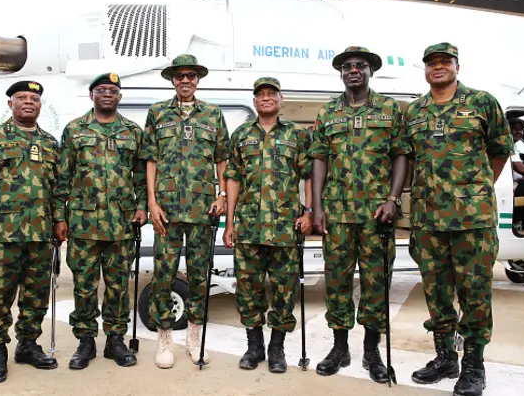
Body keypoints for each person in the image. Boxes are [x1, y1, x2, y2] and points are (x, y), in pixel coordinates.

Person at [403, 43, 513, 396]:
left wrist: (476, 190)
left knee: (475, 295)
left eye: (444, 62)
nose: (438, 67)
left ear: (456, 66)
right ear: (425, 70)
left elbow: (500, 151)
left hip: (472, 222)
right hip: (428, 221)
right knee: (436, 294)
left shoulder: (482, 102)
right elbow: (409, 158)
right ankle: (445, 357)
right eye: (432, 63)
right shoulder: (416, 112)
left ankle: (474, 365)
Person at [309, 46, 409, 383]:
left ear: (370, 72)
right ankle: (340, 347)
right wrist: (318, 206)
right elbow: (319, 159)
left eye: (361, 66)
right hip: (337, 214)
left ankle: (371, 350)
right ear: (341, 73)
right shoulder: (328, 114)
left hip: (376, 214)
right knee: (336, 282)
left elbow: (400, 155)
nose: (354, 70)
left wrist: (394, 198)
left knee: (376, 283)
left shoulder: (389, 110)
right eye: (348, 66)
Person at [0, 80, 60, 383]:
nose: (29, 102)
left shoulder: (49, 143)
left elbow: (58, 190)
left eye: (34, 98)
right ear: (10, 104)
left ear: (40, 105)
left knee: (36, 295)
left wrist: (59, 222)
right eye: (22, 97)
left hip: (41, 235)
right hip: (3, 235)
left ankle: (28, 345)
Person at [140, 54, 230, 368]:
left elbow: (222, 158)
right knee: (163, 276)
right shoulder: (157, 113)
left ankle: (194, 336)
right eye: (180, 76)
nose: (185, 81)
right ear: (173, 80)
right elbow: (150, 159)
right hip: (166, 210)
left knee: (200, 276)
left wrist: (222, 195)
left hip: (203, 210)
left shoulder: (213, 114)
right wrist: (151, 202)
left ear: (198, 79)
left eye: (191, 75)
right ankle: (164, 337)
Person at [54, 73, 148, 370]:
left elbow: (141, 176)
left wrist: (143, 206)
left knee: (118, 285)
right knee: (83, 285)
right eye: (101, 90)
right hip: (83, 223)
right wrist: (59, 216)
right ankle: (85, 341)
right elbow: (62, 177)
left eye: (113, 90)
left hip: (121, 224)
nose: (108, 94)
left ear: (119, 97)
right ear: (91, 95)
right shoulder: (75, 130)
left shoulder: (133, 131)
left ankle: (115, 340)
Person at [223, 77, 313, 373]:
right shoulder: (240, 136)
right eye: (260, 94)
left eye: (271, 94)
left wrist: (309, 212)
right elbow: (233, 178)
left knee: (285, 290)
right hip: (248, 227)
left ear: (280, 100)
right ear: (254, 101)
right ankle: (254, 346)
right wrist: (230, 222)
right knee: (248, 291)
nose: (265, 98)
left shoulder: (297, 136)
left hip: (285, 228)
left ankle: (277, 348)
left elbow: (308, 174)